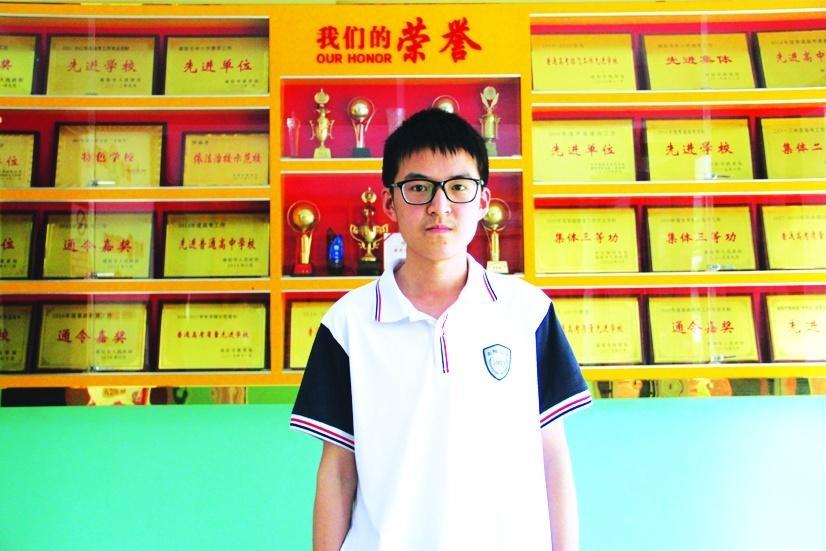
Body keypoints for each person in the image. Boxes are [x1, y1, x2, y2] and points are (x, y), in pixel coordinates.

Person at [290, 108, 591, 551]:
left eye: (458, 187)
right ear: (389, 203)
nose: (439, 206)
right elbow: (337, 472)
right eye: (418, 188)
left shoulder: (528, 313)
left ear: (484, 201)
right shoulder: (348, 324)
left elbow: (552, 456)